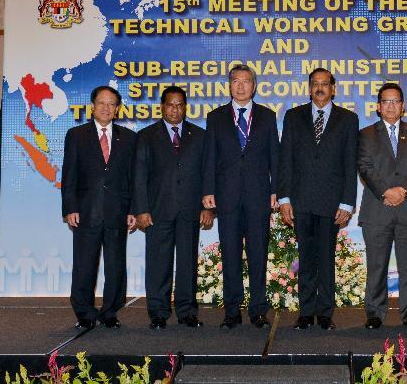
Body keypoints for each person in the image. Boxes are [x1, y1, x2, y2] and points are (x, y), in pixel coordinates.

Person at [278, 68, 358, 331]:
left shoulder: (348, 119)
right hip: (301, 201)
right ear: (309, 87)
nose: (320, 88)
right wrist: (284, 199)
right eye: (315, 84)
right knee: (306, 258)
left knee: (325, 259)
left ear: (333, 88)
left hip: (331, 203)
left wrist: (347, 203)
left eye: (325, 84)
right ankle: (305, 312)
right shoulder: (293, 116)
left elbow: (350, 164)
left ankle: (324, 313)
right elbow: (285, 159)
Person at [202, 65, 280, 329]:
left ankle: (258, 310)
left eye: (246, 81)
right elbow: (210, 158)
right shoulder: (216, 117)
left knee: (258, 254)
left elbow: (275, 158)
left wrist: (275, 190)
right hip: (227, 197)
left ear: (254, 85)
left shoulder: (268, 117)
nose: (241, 86)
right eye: (236, 81)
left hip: (259, 197)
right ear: (229, 85)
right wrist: (208, 191)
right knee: (231, 255)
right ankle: (232, 311)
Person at [132, 86, 214, 330]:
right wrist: (141, 210)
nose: (175, 109)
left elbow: (207, 173)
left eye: (179, 105)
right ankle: (158, 313)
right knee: (158, 263)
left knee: (188, 263)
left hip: (190, 210)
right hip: (157, 211)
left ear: (185, 107)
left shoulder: (200, 136)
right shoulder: (146, 136)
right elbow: (139, 176)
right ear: (162, 106)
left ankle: (187, 311)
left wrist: (208, 207)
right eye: (170, 104)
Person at [61, 85, 137, 330]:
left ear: (117, 109)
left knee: (115, 265)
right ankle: (84, 313)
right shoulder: (76, 135)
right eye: (102, 103)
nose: (106, 108)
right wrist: (70, 207)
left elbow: (132, 178)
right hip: (85, 211)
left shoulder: (128, 138)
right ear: (92, 106)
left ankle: (110, 312)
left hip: (118, 211)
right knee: (85, 264)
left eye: (111, 104)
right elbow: (69, 175)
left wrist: (133, 209)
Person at [357, 83, 407, 330]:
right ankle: (375, 313)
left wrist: (403, 191)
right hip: (377, 210)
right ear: (378, 107)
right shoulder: (366, 134)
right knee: (376, 265)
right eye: (385, 101)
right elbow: (365, 167)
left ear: (403, 106)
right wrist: (386, 192)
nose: (390, 105)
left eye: (395, 101)